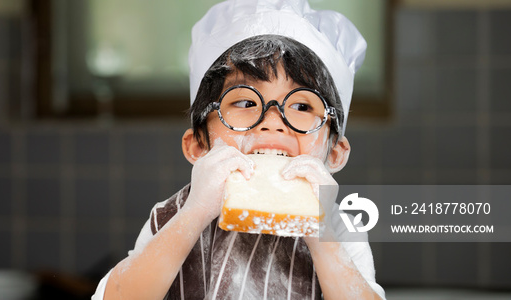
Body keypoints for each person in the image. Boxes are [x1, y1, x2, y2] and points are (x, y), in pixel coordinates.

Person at [92, 0, 385, 299]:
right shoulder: (172, 217)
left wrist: (321, 235)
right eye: (245, 103)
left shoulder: (338, 227)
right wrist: (193, 216)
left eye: (300, 105)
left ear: (334, 153)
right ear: (198, 145)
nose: (273, 122)